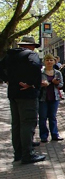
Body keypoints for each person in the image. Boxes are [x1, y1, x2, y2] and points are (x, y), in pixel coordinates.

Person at [0, 36, 46, 164]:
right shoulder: (31, 55)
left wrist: (7, 80)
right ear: (31, 46)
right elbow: (36, 66)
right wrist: (32, 83)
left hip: (13, 93)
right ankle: (28, 154)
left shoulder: (10, 55)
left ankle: (18, 153)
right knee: (27, 123)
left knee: (16, 124)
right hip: (27, 94)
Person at [39, 54, 64, 142]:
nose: (49, 62)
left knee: (52, 117)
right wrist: (42, 84)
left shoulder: (58, 72)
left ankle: (55, 134)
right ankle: (43, 136)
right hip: (43, 98)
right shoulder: (40, 72)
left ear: (54, 61)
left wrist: (56, 83)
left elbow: (61, 84)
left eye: (51, 60)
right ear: (44, 61)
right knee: (43, 117)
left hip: (54, 97)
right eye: (47, 60)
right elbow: (36, 84)